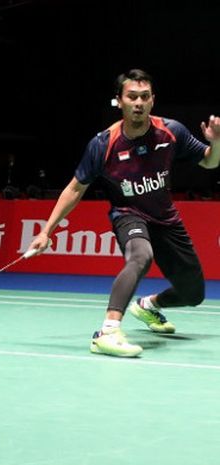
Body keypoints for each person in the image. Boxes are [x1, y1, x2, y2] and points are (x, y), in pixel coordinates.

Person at [28, 69, 220, 357]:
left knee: (194, 294)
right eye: (132, 97)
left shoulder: (171, 131)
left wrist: (216, 144)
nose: (138, 102)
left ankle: (149, 306)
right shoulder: (104, 144)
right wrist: (46, 230)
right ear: (119, 101)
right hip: (128, 214)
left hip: (166, 219)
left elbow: (209, 162)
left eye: (144, 96)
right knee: (141, 256)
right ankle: (107, 331)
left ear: (152, 100)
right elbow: (74, 189)